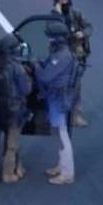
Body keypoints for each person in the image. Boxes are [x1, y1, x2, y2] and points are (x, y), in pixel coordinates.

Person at [35, 21, 78, 185]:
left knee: (61, 135)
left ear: (58, 39)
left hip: (58, 98)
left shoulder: (62, 56)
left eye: (51, 38)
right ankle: (61, 166)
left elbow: (45, 76)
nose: (49, 40)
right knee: (56, 133)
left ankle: (67, 173)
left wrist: (36, 67)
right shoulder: (57, 53)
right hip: (54, 96)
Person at [51, 0, 93, 128]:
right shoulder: (53, 17)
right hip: (60, 57)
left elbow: (89, 27)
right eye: (61, 2)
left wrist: (82, 33)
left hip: (76, 56)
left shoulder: (76, 14)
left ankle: (76, 116)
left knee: (76, 86)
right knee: (58, 85)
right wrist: (57, 14)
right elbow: (52, 32)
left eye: (66, 1)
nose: (64, 4)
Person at [0, 34, 34, 183]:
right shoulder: (17, 68)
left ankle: (19, 167)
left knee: (7, 139)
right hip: (14, 109)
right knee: (12, 143)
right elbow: (26, 90)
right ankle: (8, 173)